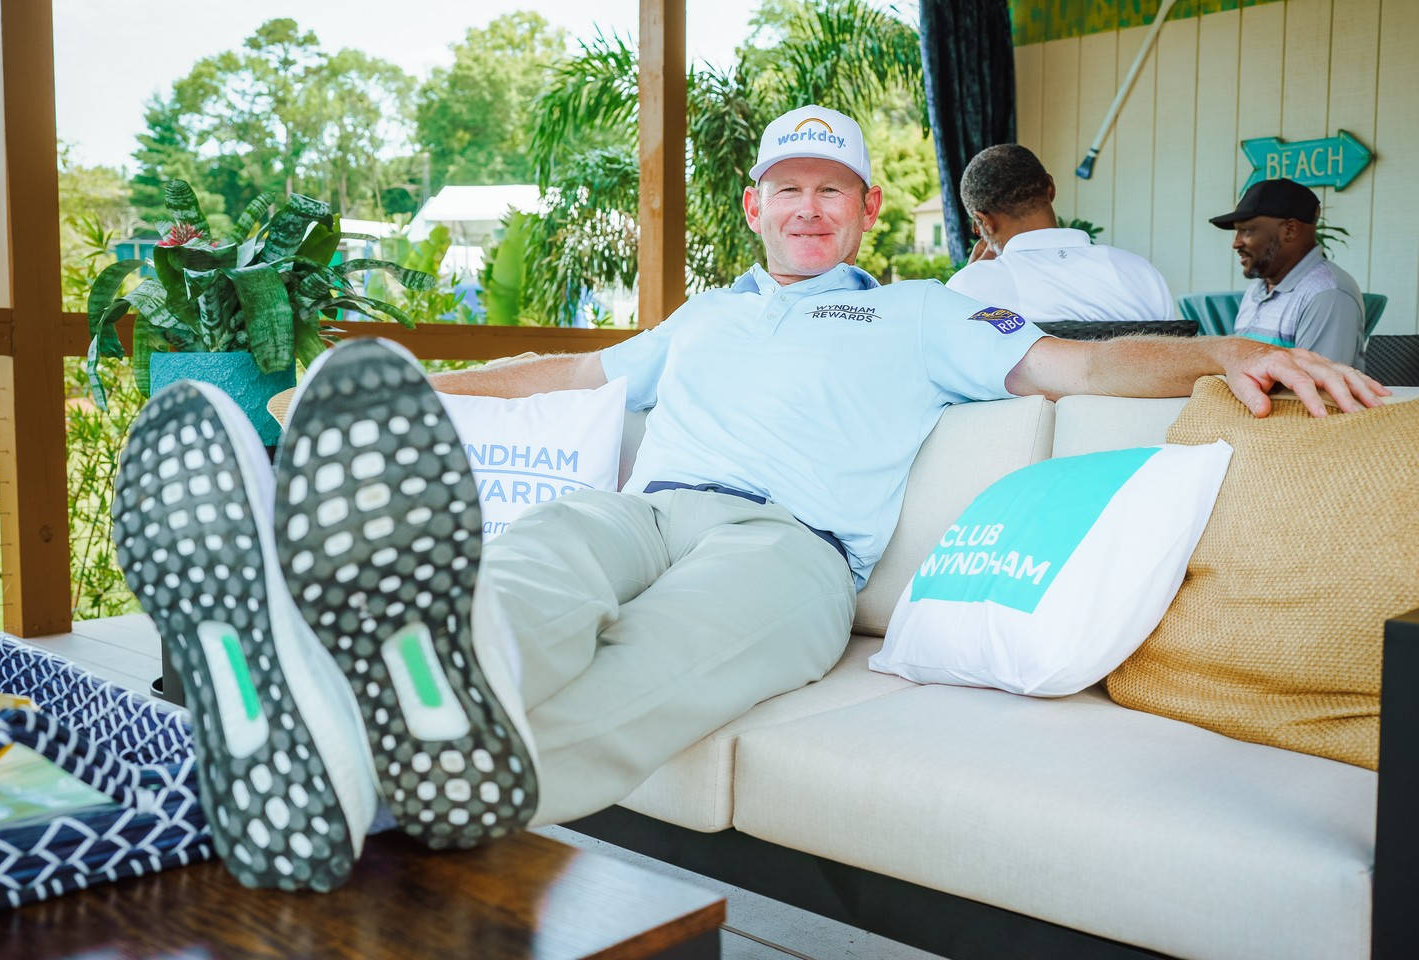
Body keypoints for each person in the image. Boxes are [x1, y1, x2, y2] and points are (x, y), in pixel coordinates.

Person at [113, 105, 1386, 893]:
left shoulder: (932, 311)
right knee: (537, 563)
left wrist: (1224, 352)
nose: (809, 205)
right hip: (648, 507)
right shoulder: (704, 314)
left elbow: (1085, 365)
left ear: (867, 209)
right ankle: (410, 677)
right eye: (790, 186)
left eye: (833, 188)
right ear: (757, 204)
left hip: (793, 548)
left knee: (671, 655)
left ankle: (369, 759)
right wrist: (413, 379)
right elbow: (569, 370)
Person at [945, 144, 1175, 326]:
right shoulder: (1141, 275)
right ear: (1051, 188)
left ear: (984, 221)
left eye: (977, 226)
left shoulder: (969, 290)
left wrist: (970, 279)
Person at [1209, 177, 1366, 367]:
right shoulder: (1256, 291)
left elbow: (1318, 390)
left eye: (1247, 231)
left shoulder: (1327, 294)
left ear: (1290, 230)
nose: (1236, 243)